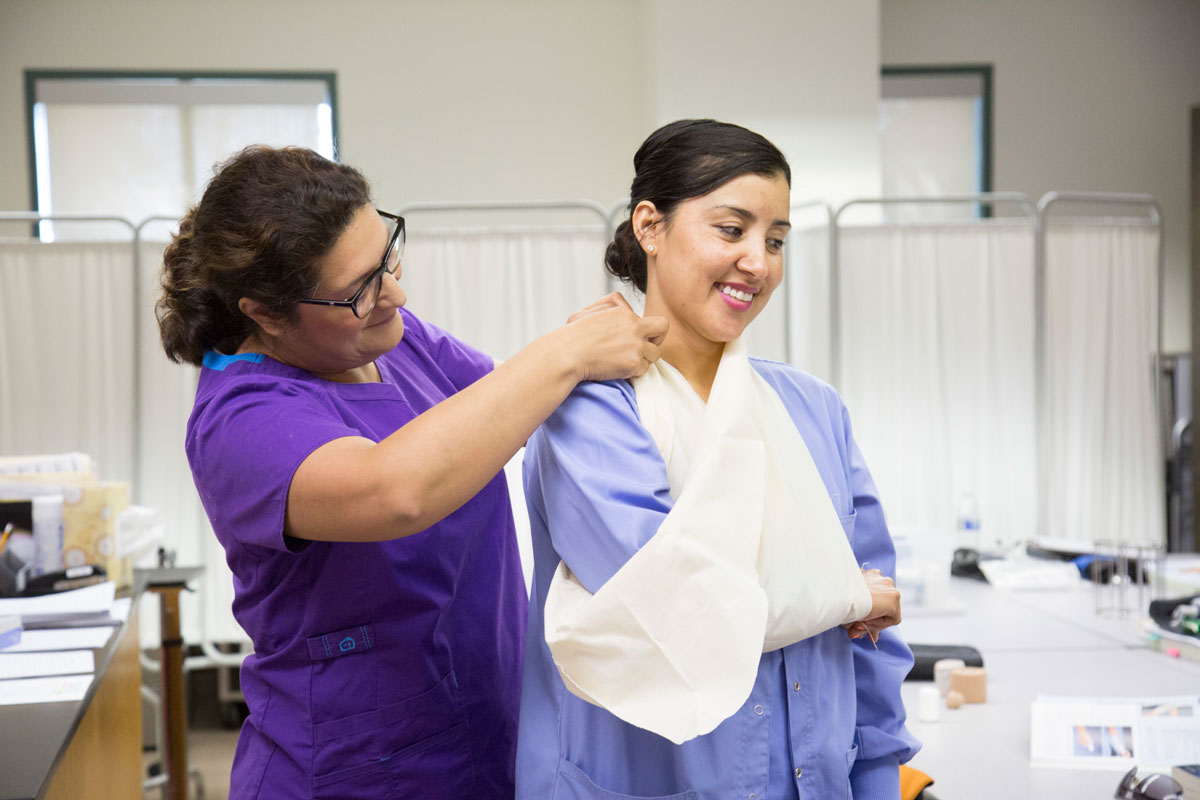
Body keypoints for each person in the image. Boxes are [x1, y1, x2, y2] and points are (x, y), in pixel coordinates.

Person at [155, 145, 667, 800]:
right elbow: (396, 491)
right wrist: (565, 354)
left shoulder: (393, 337)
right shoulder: (242, 421)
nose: (395, 293)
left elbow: (503, 412)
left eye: (386, 257)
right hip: (353, 770)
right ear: (263, 312)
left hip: (483, 740)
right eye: (358, 290)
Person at [516, 120, 920, 799]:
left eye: (777, 240)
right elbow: (677, 613)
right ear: (650, 225)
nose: (758, 262)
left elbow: (872, 645)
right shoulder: (590, 413)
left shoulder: (811, 409)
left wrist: (877, 778)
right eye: (731, 230)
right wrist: (842, 595)